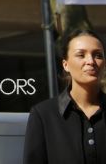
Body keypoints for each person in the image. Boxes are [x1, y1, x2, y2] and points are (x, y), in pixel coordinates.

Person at [23, 28, 106, 164]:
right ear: (65, 64)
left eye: (98, 55)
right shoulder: (43, 114)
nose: (91, 61)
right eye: (81, 55)